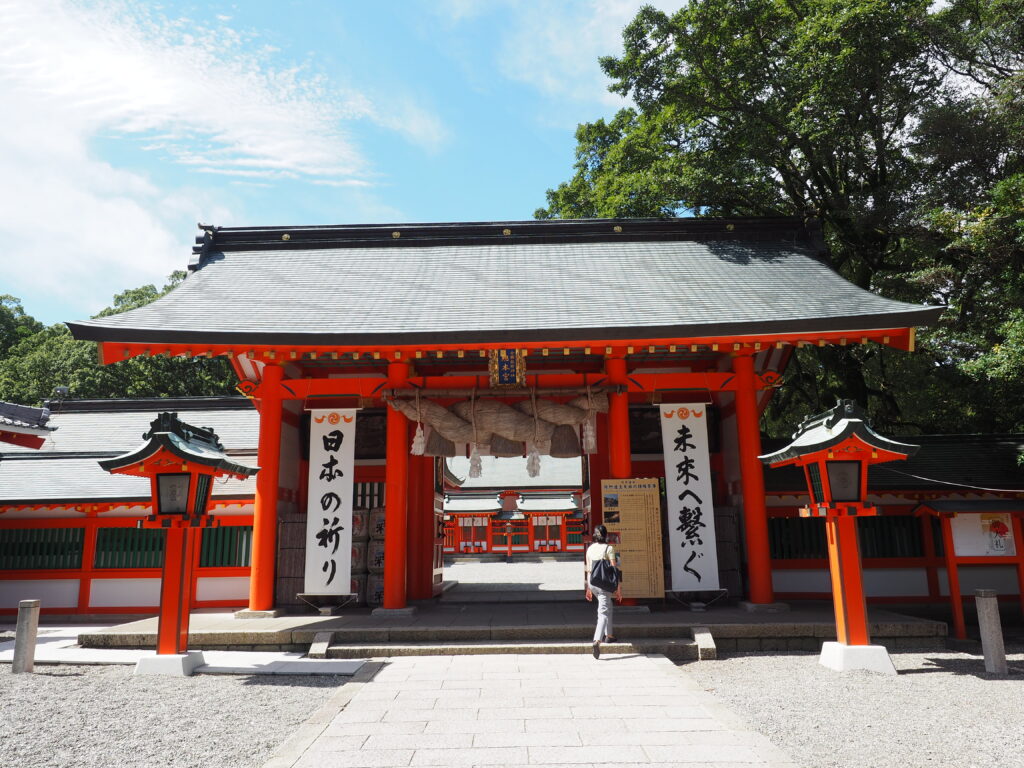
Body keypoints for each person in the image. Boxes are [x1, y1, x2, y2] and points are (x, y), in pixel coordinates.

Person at [584, 524, 622, 659]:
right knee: (603, 612)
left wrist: (588, 588)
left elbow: (589, 569)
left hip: (592, 582)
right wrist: (618, 588)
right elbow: (614, 569)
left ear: (594, 535)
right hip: (604, 584)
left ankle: (609, 635)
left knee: (607, 606)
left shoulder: (590, 549)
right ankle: (597, 640)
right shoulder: (609, 548)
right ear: (605, 535)